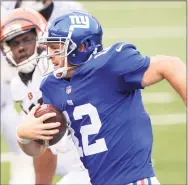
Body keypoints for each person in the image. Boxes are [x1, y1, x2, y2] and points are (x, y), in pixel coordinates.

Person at [16, 11, 186, 185]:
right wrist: (23, 136)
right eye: (49, 47)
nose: (50, 54)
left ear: (82, 47)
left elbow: (171, 65)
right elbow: (39, 148)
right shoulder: (51, 85)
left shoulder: (112, 64)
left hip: (134, 180)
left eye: (56, 48)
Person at [0, 8, 90, 185]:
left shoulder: (57, 66)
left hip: (100, 162)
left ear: (41, 37)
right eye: (14, 43)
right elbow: (45, 146)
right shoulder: (19, 86)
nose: (21, 48)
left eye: (27, 39)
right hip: (76, 165)